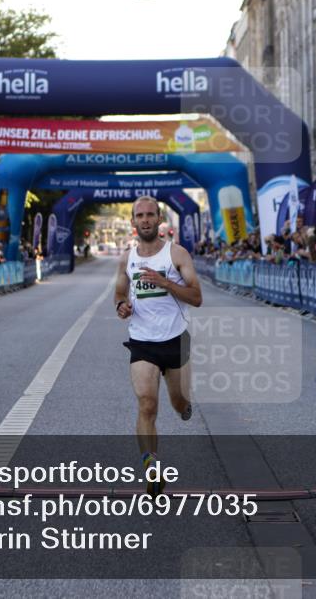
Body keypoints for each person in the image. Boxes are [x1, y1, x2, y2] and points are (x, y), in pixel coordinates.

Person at [115, 196, 202, 496]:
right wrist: (121, 307)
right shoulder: (127, 258)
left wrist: (166, 284)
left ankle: (185, 405)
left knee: (179, 403)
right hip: (142, 342)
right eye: (140, 215)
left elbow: (196, 297)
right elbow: (119, 293)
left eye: (150, 214)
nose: (145, 220)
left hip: (175, 339)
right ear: (133, 221)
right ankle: (151, 468)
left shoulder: (176, 254)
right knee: (147, 403)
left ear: (159, 219)